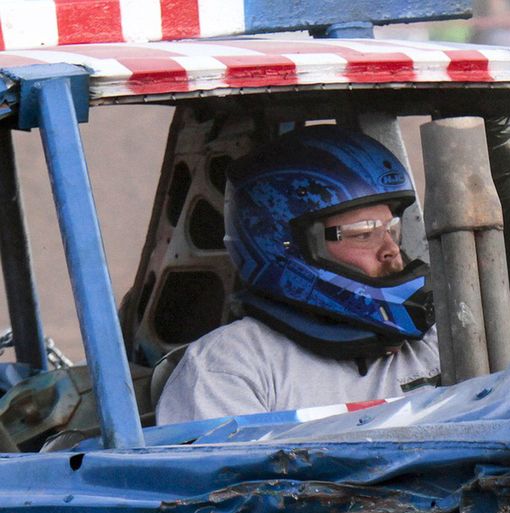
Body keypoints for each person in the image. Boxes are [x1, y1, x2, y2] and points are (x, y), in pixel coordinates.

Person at [156, 127, 441, 425]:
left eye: (392, 230)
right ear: (288, 245)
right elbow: (223, 471)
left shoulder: (438, 341)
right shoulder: (228, 368)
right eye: (364, 233)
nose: (391, 250)